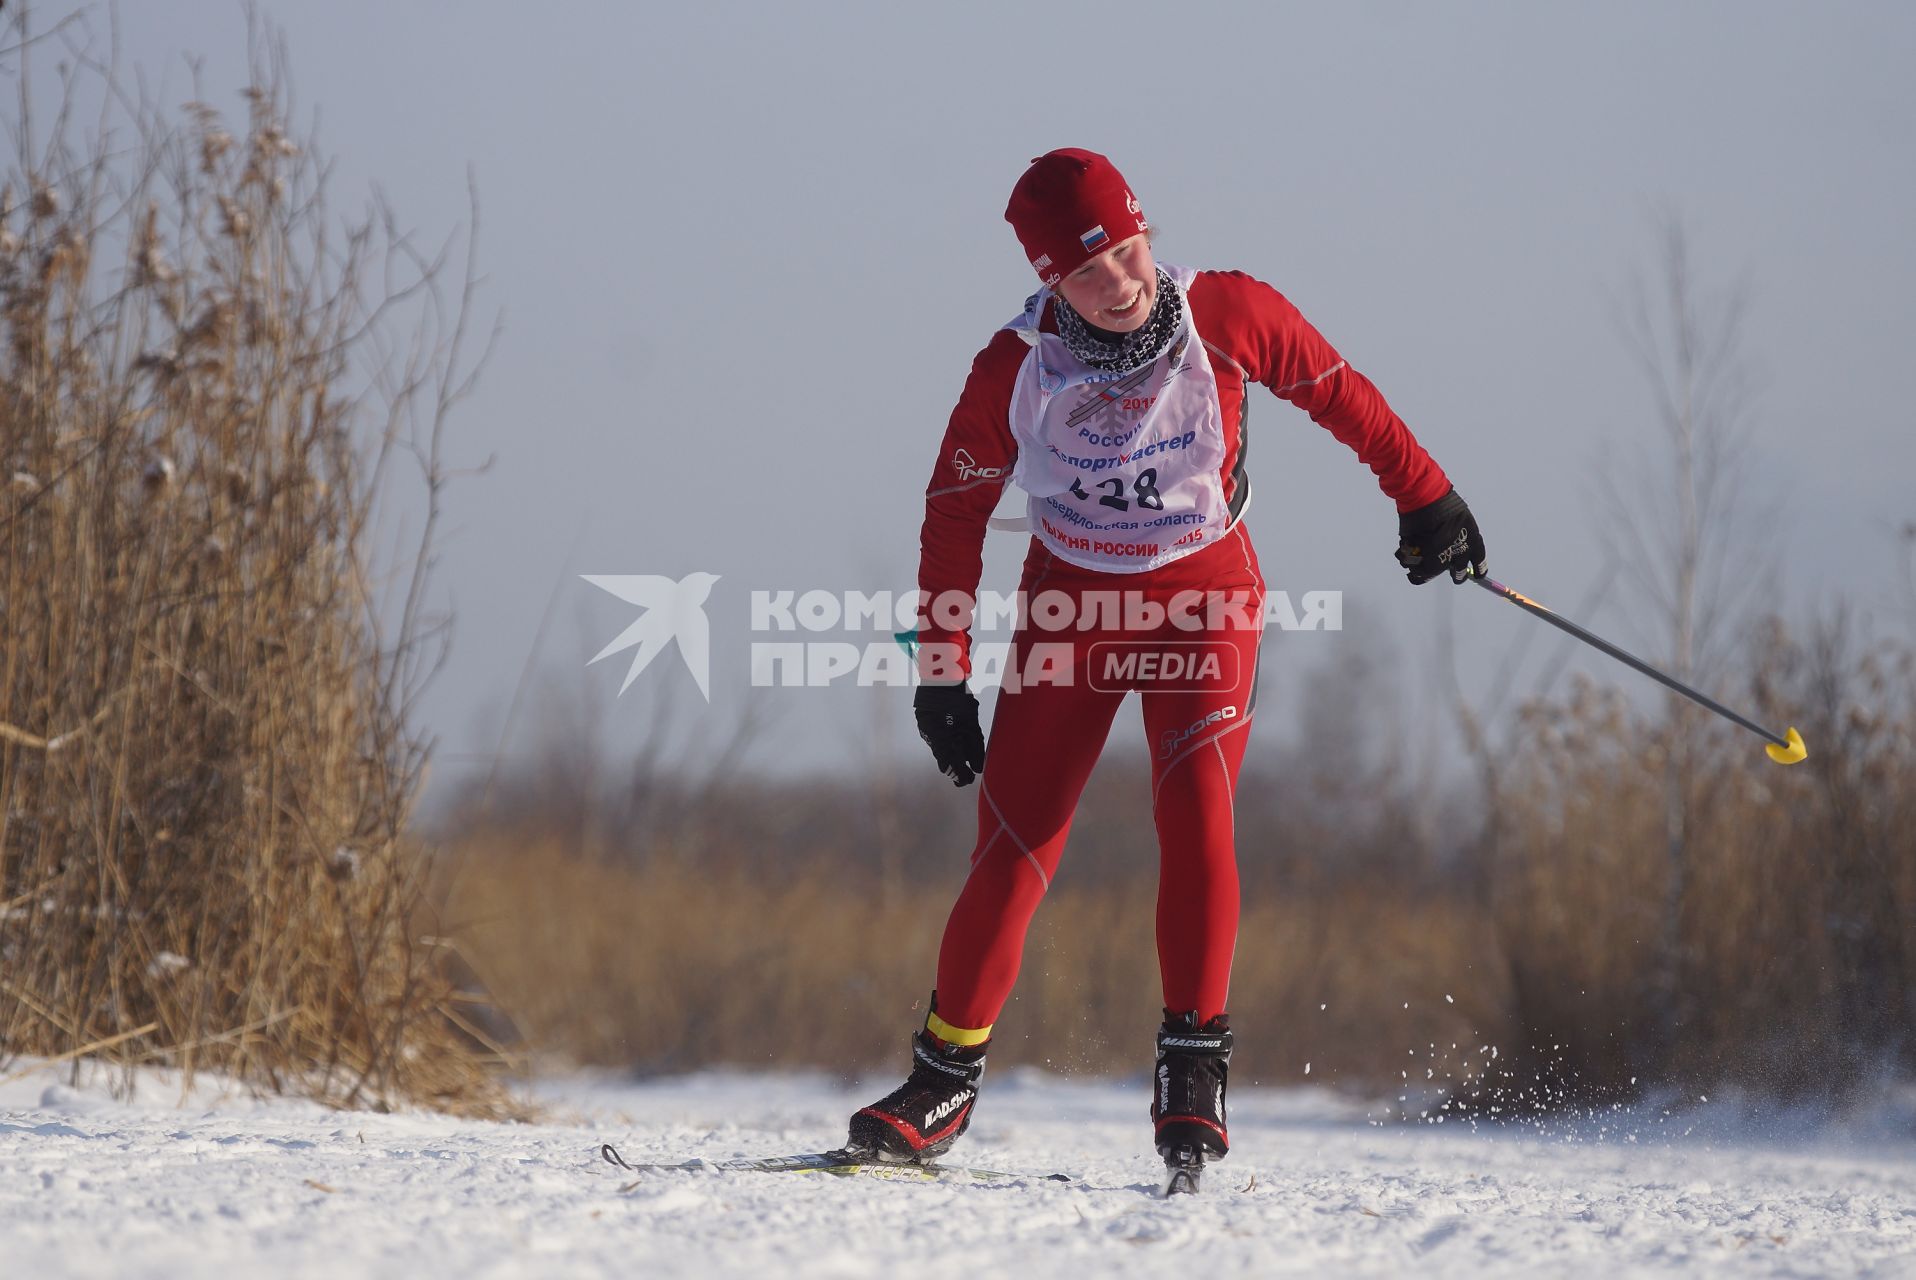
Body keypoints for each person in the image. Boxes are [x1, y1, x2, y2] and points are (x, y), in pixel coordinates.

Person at [845, 149, 1486, 1181]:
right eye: (1089, 275)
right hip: (1071, 609)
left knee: (1193, 808)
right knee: (1012, 844)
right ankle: (941, 1079)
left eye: (1130, 253)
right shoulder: (1011, 371)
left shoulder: (1223, 314)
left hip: (1204, 601)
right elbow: (950, 517)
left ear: (1149, 232)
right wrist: (938, 668)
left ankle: (1192, 1062)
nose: (1121, 285)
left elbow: (1340, 393)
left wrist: (1425, 498)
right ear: (1051, 281)